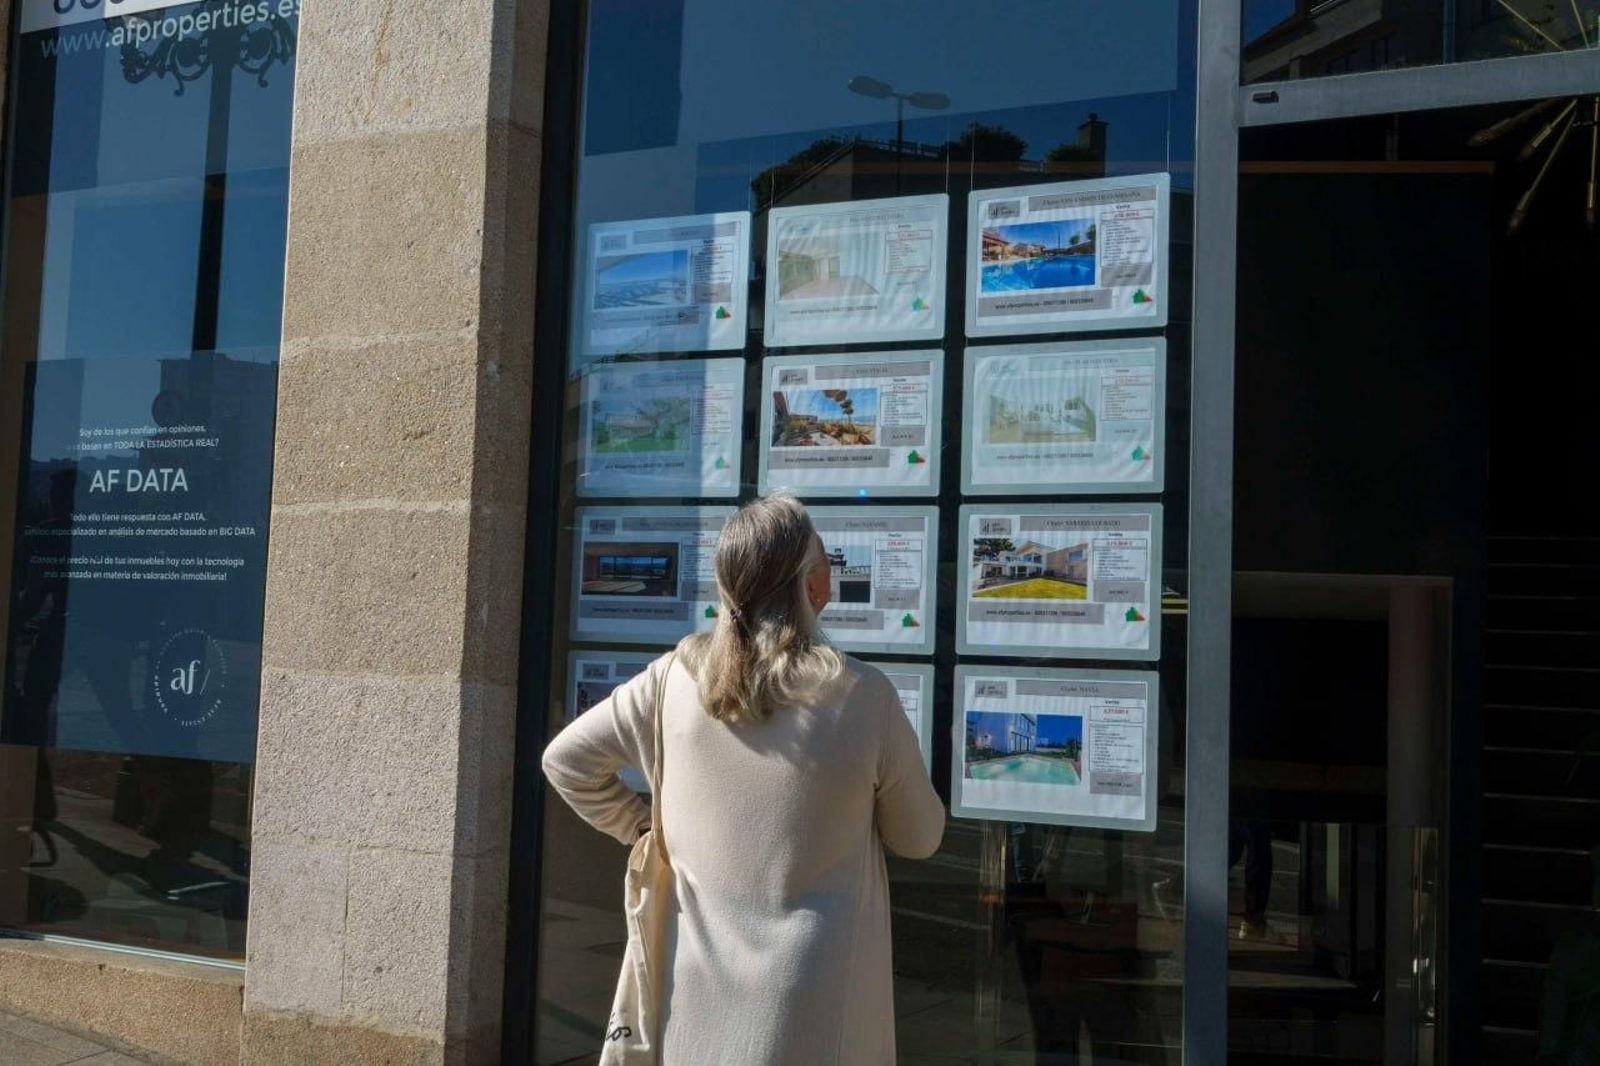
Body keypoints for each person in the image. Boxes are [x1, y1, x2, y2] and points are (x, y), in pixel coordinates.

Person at [543, 494, 945, 1065]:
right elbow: (920, 837)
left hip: (691, 989)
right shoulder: (863, 696)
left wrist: (638, 828)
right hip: (815, 998)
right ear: (812, 587)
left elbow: (566, 761)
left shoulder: (669, 682)